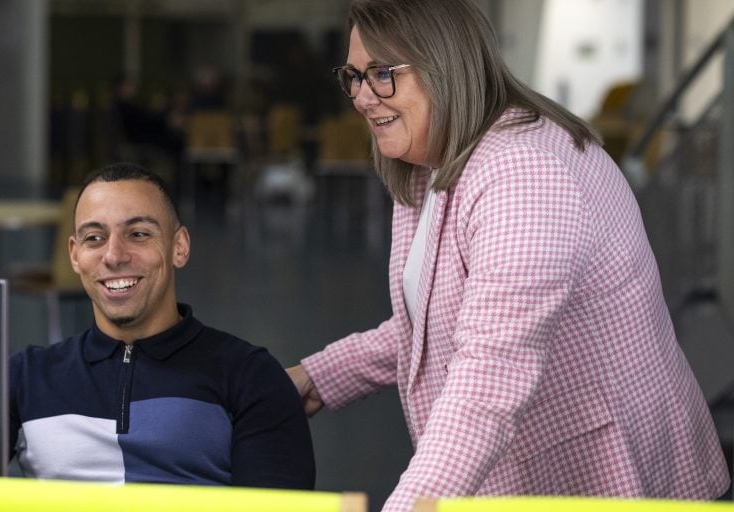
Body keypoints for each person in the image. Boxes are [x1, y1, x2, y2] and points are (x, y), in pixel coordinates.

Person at [286, 0, 730, 510]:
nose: (363, 98)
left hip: (612, 483)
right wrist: (320, 376)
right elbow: (445, 319)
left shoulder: (521, 176)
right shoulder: (433, 160)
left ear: (444, 64)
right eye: (354, 76)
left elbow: (487, 381)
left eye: (383, 74)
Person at [9, 163, 315, 489]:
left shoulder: (250, 377)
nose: (113, 256)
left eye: (138, 234)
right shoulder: (25, 378)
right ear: (75, 255)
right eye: (95, 238)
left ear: (178, 247)